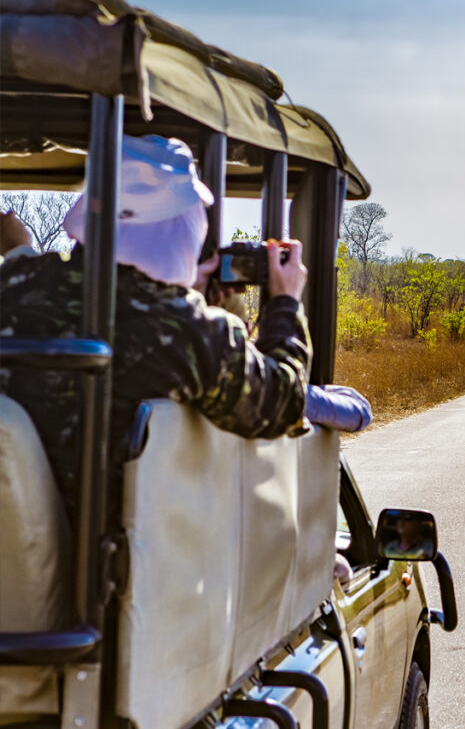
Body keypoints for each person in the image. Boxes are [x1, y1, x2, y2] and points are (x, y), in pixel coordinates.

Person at [0, 135, 368, 524]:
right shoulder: (191, 332)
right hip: (119, 567)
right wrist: (285, 304)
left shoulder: (15, 284)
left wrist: (185, 292)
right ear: (182, 226)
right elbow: (281, 402)